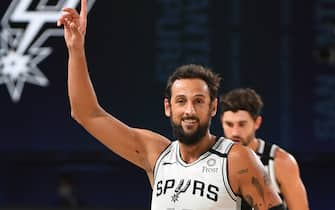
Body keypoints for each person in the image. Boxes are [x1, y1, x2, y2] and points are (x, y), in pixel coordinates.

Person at [57, 1, 285, 209]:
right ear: (168, 107)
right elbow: (87, 114)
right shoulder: (156, 153)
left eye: (199, 101)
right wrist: (76, 50)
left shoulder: (237, 159)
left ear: (213, 108)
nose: (189, 110)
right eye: (181, 101)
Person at [219, 88, 309, 210]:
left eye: (242, 124)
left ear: (257, 122)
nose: (235, 132)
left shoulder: (280, 162)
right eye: (229, 124)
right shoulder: (212, 160)